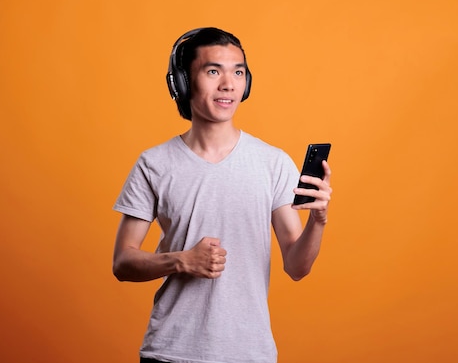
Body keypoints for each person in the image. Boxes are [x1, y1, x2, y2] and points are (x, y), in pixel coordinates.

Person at [112, 27, 332, 363]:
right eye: (213, 71)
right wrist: (181, 260)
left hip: (250, 354)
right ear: (182, 83)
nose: (228, 83)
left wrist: (317, 221)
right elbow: (123, 263)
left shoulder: (272, 162)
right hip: (170, 353)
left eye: (238, 72)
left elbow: (297, 267)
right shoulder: (154, 164)